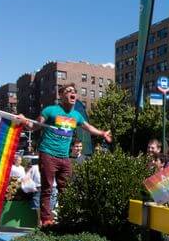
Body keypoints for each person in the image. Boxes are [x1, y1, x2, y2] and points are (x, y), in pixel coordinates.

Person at [17, 84, 111, 227]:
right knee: (47, 187)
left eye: (74, 91)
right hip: (48, 153)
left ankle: (69, 216)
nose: (72, 93)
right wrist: (24, 121)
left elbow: (89, 128)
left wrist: (102, 133)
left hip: (64, 157)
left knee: (66, 188)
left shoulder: (76, 115)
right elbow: (34, 126)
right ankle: (46, 220)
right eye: (68, 91)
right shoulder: (51, 110)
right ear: (61, 95)